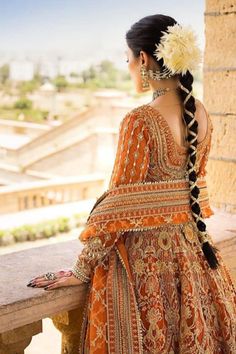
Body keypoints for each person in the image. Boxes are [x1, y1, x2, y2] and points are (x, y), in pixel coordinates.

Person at [27, 14, 236, 354]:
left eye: (127, 60)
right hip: (194, 258)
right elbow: (193, 188)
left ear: (143, 58)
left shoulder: (140, 121)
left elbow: (117, 209)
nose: (128, 68)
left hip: (149, 270)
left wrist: (82, 269)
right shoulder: (201, 112)